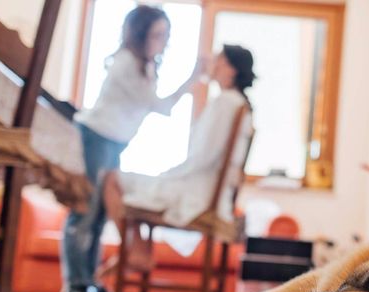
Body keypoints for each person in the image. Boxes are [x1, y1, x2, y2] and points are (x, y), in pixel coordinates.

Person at [61, 5, 199, 292]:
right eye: (157, 34)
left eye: (165, 35)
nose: (163, 41)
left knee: (97, 216)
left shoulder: (145, 66)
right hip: (96, 137)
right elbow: (160, 106)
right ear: (141, 35)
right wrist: (193, 79)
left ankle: (87, 282)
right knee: (85, 210)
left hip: (114, 143)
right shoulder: (126, 63)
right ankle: (75, 285)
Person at [102, 45, 255, 270]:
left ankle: (136, 250)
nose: (212, 63)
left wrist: (167, 176)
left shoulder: (226, 103)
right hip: (205, 189)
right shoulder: (238, 104)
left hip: (197, 194)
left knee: (111, 178)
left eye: (218, 60)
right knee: (126, 182)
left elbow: (202, 157)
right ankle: (139, 250)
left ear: (231, 69)